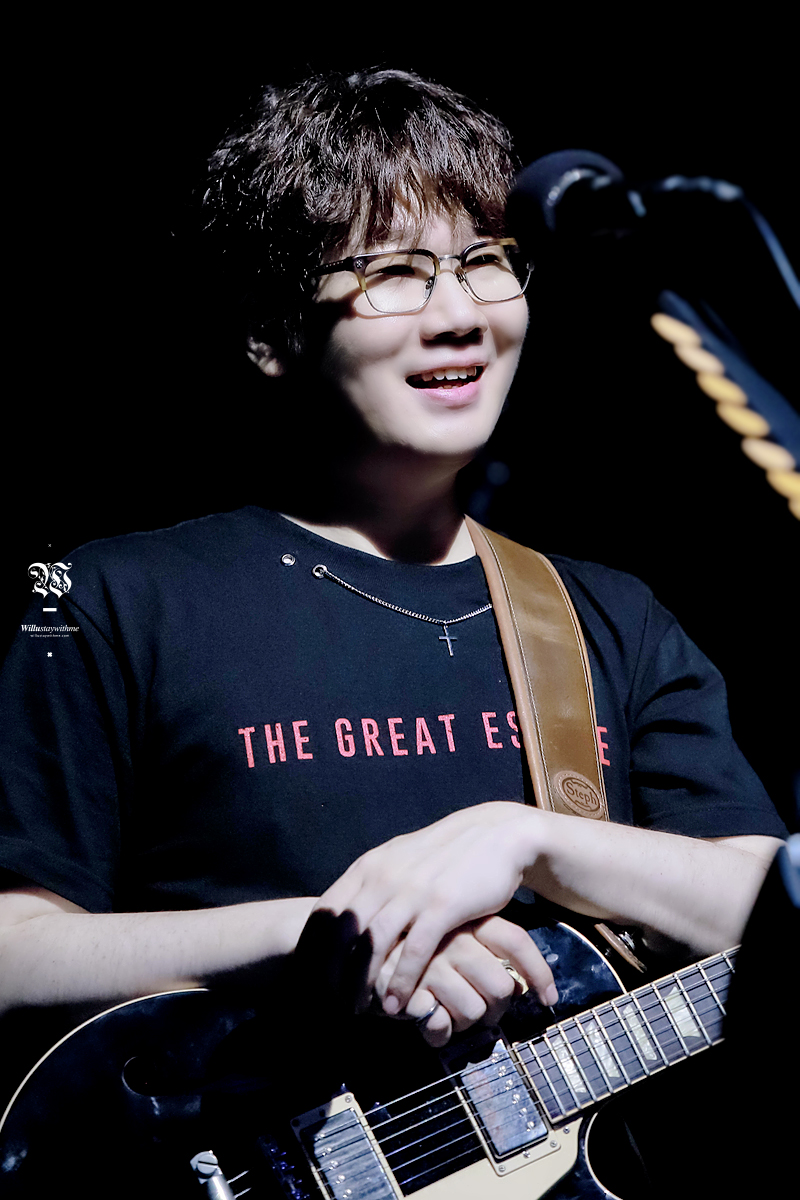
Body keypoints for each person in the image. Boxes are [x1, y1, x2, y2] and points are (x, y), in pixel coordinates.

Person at [0, 67, 788, 1192]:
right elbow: (13, 950)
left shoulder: (608, 616)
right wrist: (342, 934)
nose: (458, 312)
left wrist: (527, 839)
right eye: (393, 273)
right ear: (271, 331)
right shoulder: (107, 599)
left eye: (484, 261)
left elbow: (767, 901)